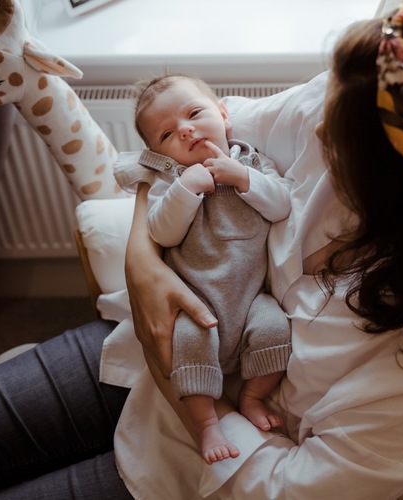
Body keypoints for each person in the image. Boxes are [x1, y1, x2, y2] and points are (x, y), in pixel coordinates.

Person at [0, 1, 403, 498]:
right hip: (140, 337)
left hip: (207, 463)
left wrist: (190, 395)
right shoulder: (358, 98)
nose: (316, 128)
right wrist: (141, 262)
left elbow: (293, 488)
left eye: (335, 143)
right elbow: (180, 146)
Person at [113, 74, 293, 464]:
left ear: (224, 116)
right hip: (196, 299)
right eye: (166, 135)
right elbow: (160, 231)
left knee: (276, 329)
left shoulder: (253, 161)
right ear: (160, 153)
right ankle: (206, 423)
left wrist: (243, 178)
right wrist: (186, 190)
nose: (185, 130)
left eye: (194, 113)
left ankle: (252, 396)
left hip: (251, 302)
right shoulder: (171, 180)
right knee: (190, 342)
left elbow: (281, 205)